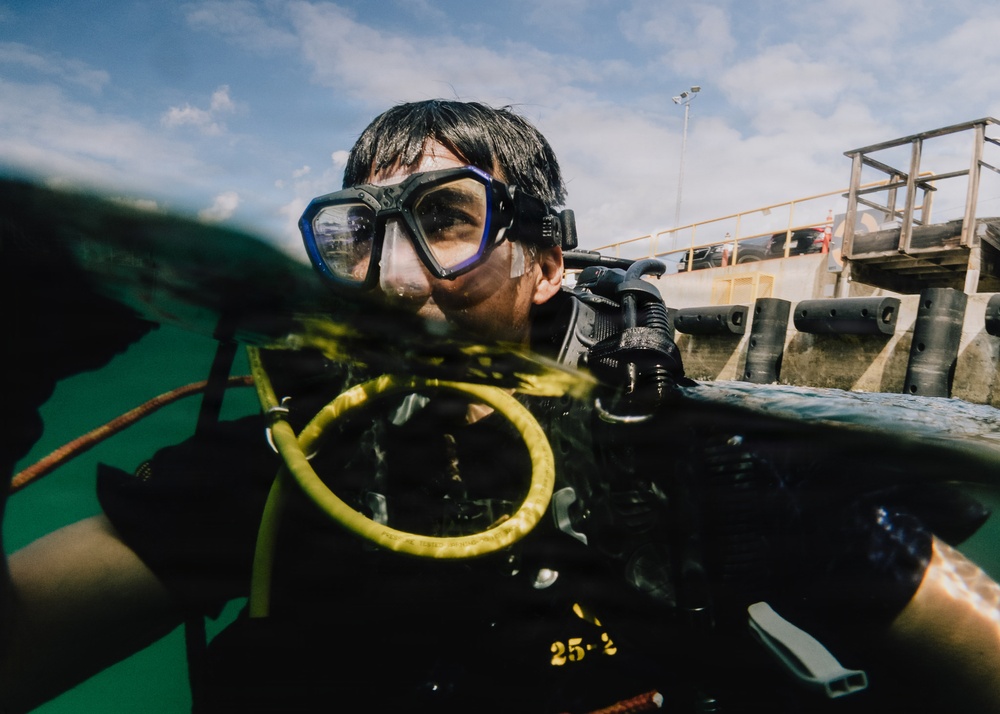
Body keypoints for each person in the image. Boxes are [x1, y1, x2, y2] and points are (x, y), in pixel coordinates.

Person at [2, 99, 1000, 713]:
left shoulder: (702, 463)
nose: (395, 278)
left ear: (547, 263)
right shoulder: (279, 470)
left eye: (443, 219)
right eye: (358, 234)